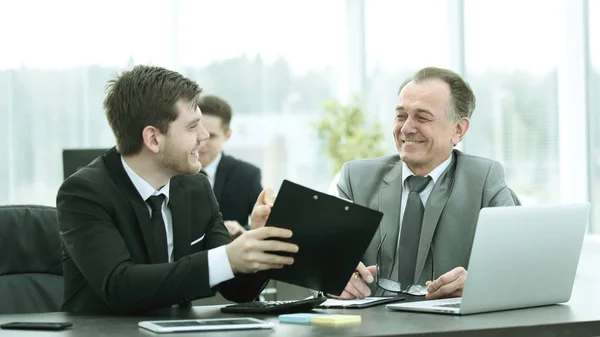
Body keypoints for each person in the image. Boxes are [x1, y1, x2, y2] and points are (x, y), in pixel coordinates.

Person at [56, 65, 298, 314]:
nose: (203, 136)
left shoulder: (196, 187)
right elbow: (120, 285)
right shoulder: (83, 193)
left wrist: (258, 241)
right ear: (153, 139)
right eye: (192, 126)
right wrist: (226, 258)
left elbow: (238, 290)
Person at [333, 67, 516, 301]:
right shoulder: (356, 178)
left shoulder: (484, 179)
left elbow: (512, 268)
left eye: (422, 117)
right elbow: (326, 266)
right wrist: (335, 279)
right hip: (373, 327)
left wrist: (478, 284)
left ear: (458, 130)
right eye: (401, 115)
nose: (407, 127)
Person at [196, 95, 262, 238]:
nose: (201, 143)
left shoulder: (247, 175)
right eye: (197, 134)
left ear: (228, 135)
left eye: (211, 136)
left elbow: (264, 225)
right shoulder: (171, 172)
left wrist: (242, 231)